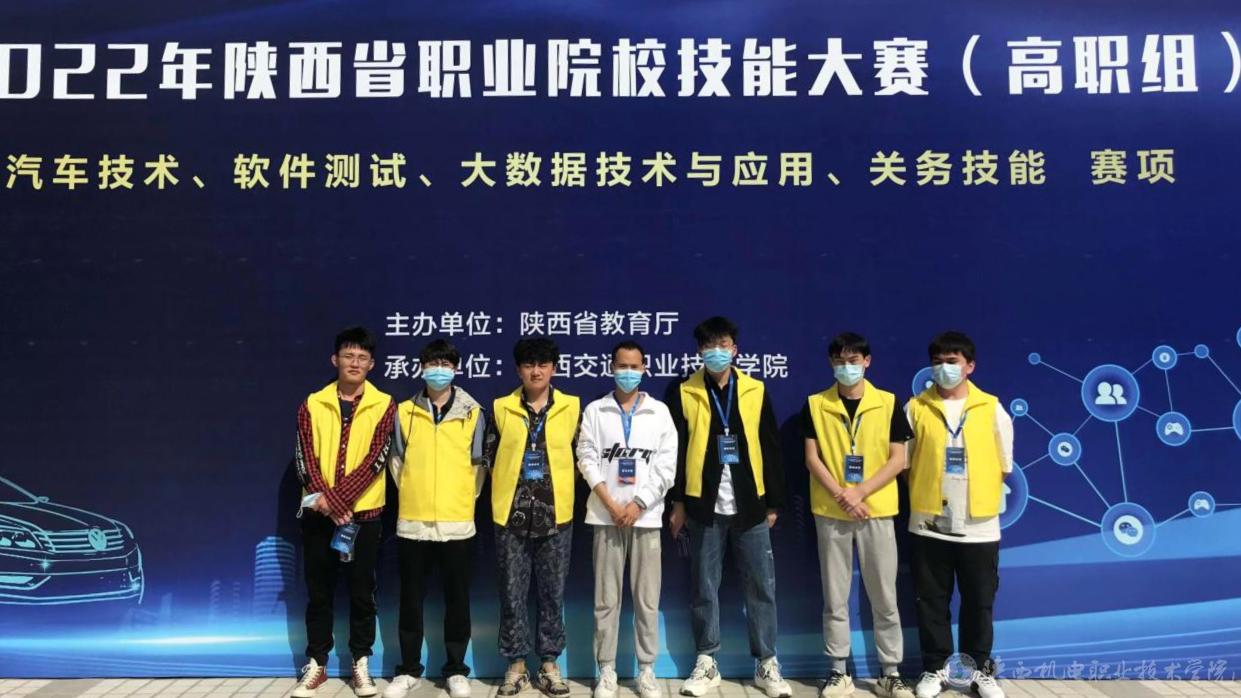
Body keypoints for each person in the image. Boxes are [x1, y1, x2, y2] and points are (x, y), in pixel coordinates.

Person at [666, 316, 791, 698]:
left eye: (723, 345)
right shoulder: (685, 391)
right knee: (704, 586)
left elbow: (770, 445)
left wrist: (773, 502)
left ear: (735, 349)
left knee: (761, 587)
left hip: (751, 504)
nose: (716, 352)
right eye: (709, 346)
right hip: (703, 504)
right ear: (699, 352)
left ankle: (766, 663)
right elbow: (676, 449)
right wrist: (678, 501)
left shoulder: (754, 389)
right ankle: (707, 661)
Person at [802, 333, 914, 698]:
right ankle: (838, 671)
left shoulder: (888, 402)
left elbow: (898, 459)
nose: (846, 367)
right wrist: (842, 495)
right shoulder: (816, 404)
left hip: (876, 511)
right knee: (835, 596)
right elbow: (812, 459)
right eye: (839, 361)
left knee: (884, 595)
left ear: (867, 361)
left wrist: (860, 492)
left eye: (853, 360)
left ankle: (890, 672)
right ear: (830, 363)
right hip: (831, 512)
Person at [292, 326, 396, 698]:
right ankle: (316, 663)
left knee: (362, 593)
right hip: (318, 514)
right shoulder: (312, 403)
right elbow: (304, 457)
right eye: (348, 355)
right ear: (335, 359)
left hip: (363, 517)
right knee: (318, 592)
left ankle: (360, 662)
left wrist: (339, 502)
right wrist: (326, 501)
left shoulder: (385, 404)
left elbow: (376, 460)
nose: (355, 362)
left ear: (372, 364)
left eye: (362, 357)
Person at [906, 332, 1012, 698]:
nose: (944, 368)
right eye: (937, 361)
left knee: (978, 603)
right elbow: (905, 463)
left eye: (952, 361)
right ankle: (934, 669)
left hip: (978, 526)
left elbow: (1004, 464)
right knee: (931, 601)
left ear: (970, 366)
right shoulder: (915, 408)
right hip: (928, 523)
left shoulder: (991, 408)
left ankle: (978, 670)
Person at [384, 339, 487, 698]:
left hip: (457, 522)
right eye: (432, 363)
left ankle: (456, 669)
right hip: (413, 522)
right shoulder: (403, 412)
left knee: (457, 600)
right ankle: (408, 670)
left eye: (445, 364)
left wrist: (459, 499)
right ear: (422, 368)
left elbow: (478, 467)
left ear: (456, 369)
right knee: (411, 600)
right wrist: (418, 492)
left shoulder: (473, 412)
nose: (438, 370)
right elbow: (397, 464)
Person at [577, 341, 678, 698]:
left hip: (646, 518)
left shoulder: (659, 412)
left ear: (645, 368)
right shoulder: (595, 411)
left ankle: (646, 670)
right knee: (606, 599)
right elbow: (586, 457)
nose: (628, 372)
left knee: (647, 598)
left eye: (634, 366)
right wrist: (609, 501)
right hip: (605, 516)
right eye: (622, 366)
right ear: (611, 367)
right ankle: (606, 670)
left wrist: (638, 504)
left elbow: (666, 466)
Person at [488, 338, 581, 697]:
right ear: (518, 370)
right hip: (510, 517)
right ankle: (515, 667)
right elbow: (489, 457)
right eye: (529, 365)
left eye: (543, 364)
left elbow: (582, 457)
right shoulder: (501, 407)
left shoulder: (571, 407)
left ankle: (549, 665)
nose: (536, 371)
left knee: (552, 594)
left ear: (554, 368)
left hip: (556, 517)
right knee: (512, 594)